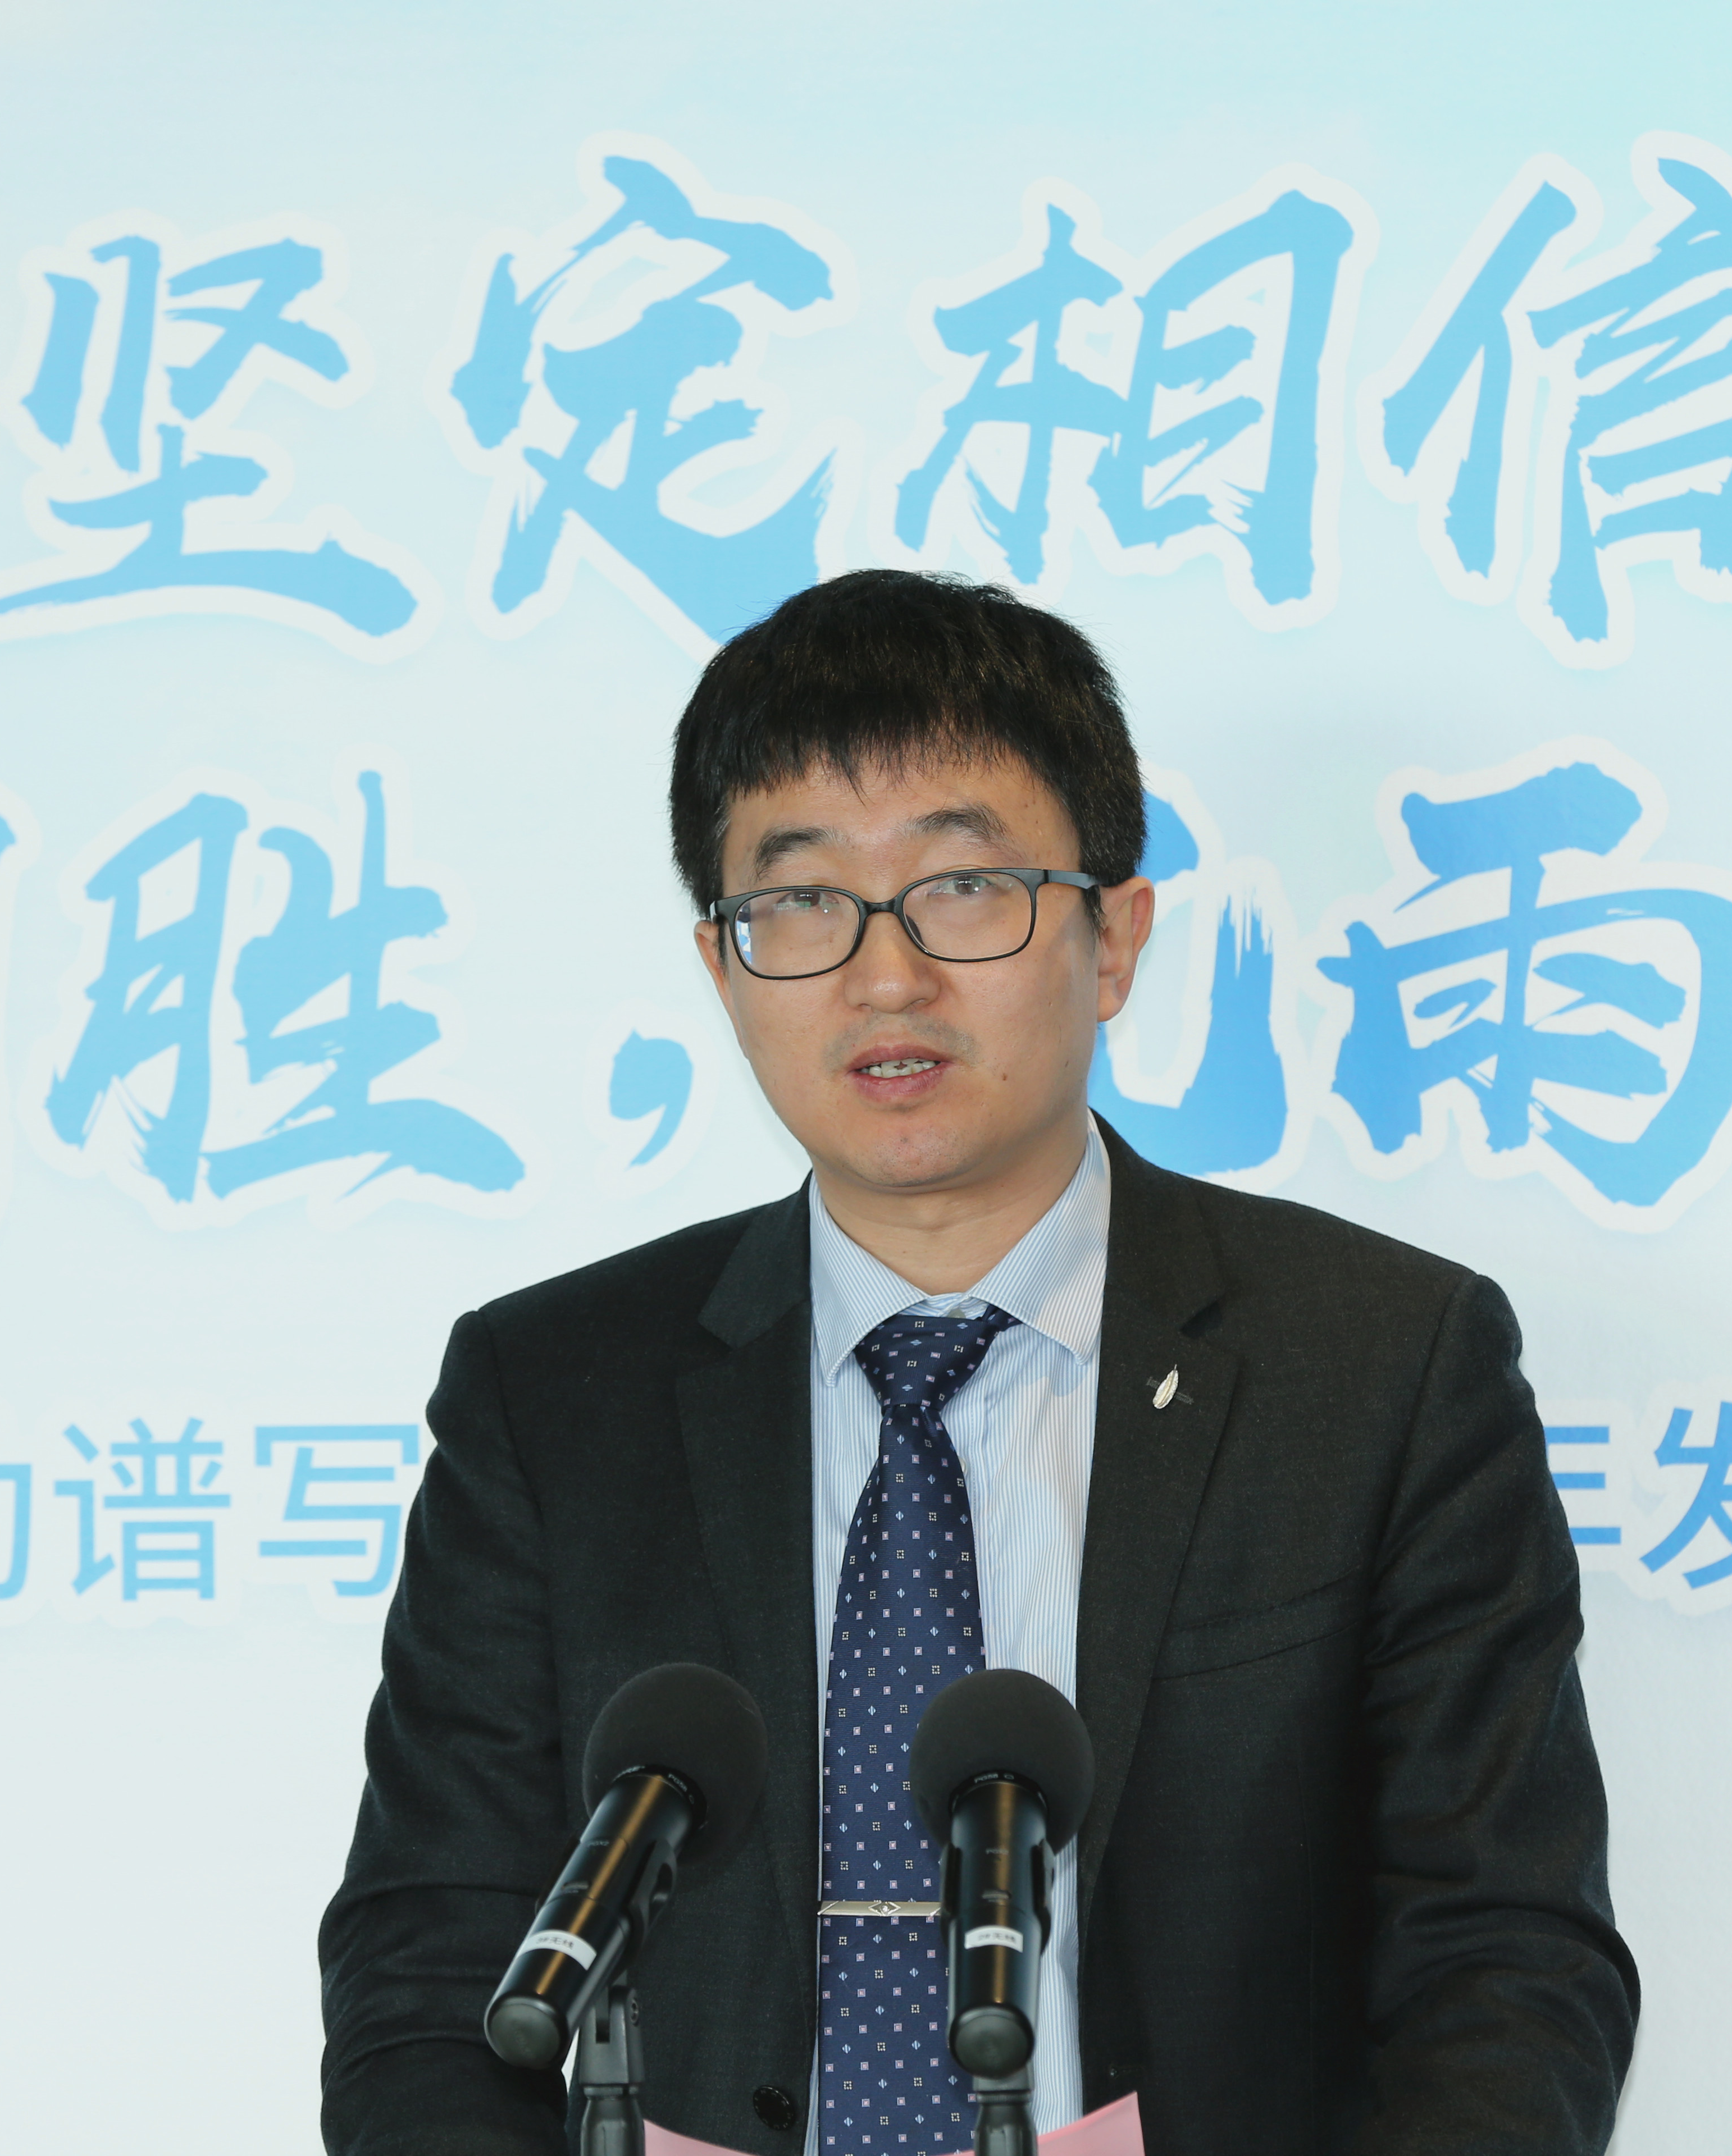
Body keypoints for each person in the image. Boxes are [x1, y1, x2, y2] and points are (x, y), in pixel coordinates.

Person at [319, 572, 1636, 2154]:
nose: (886, 977)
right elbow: (428, 1973)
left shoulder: (1378, 1367)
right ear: (723, 966)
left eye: (963, 887)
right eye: (801, 901)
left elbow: (1503, 1958)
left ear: (1114, 937)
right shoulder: (550, 1397)